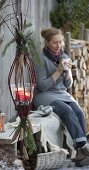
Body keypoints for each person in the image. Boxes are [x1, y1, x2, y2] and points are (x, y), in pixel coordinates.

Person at [33, 27, 89, 166]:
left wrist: (67, 73)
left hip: (61, 93)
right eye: (55, 42)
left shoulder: (64, 56)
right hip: (44, 95)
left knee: (78, 111)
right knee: (66, 110)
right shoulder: (41, 59)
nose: (59, 46)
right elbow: (42, 86)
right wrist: (58, 71)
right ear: (47, 43)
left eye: (61, 42)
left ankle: (80, 156)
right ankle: (82, 149)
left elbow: (68, 84)